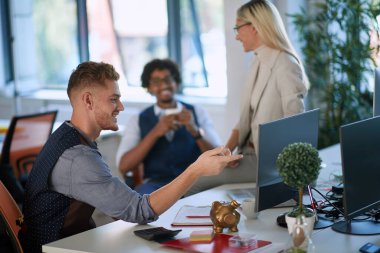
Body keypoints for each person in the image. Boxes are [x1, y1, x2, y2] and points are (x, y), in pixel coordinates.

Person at [19, 61, 241, 253]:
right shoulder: (78, 157)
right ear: (88, 101)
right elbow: (139, 210)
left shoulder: (67, 137)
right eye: (114, 99)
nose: (121, 107)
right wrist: (196, 169)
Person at [186, 0, 309, 195]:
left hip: (267, 162)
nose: (236, 36)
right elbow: (244, 121)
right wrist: (225, 153)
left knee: (195, 179)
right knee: (195, 173)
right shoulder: (257, 61)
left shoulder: (285, 64)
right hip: (248, 154)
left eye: (238, 28)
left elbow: (296, 124)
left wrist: (294, 181)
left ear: (254, 27)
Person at [116, 59, 221, 194]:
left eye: (168, 79)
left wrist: (194, 131)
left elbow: (218, 157)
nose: (164, 85)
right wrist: (155, 132)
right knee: (141, 197)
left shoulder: (197, 112)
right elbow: (124, 166)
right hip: (156, 186)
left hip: (194, 182)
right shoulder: (137, 119)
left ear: (176, 83)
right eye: (156, 82)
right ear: (149, 88)